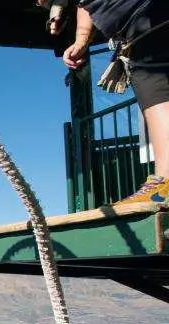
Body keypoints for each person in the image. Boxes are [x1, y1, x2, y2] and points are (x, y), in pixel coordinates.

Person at [61, 0, 169, 204]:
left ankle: (164, 185)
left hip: (148, 19)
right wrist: (81, 39)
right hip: (137, 29)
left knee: (157, 93)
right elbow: (83, 3)